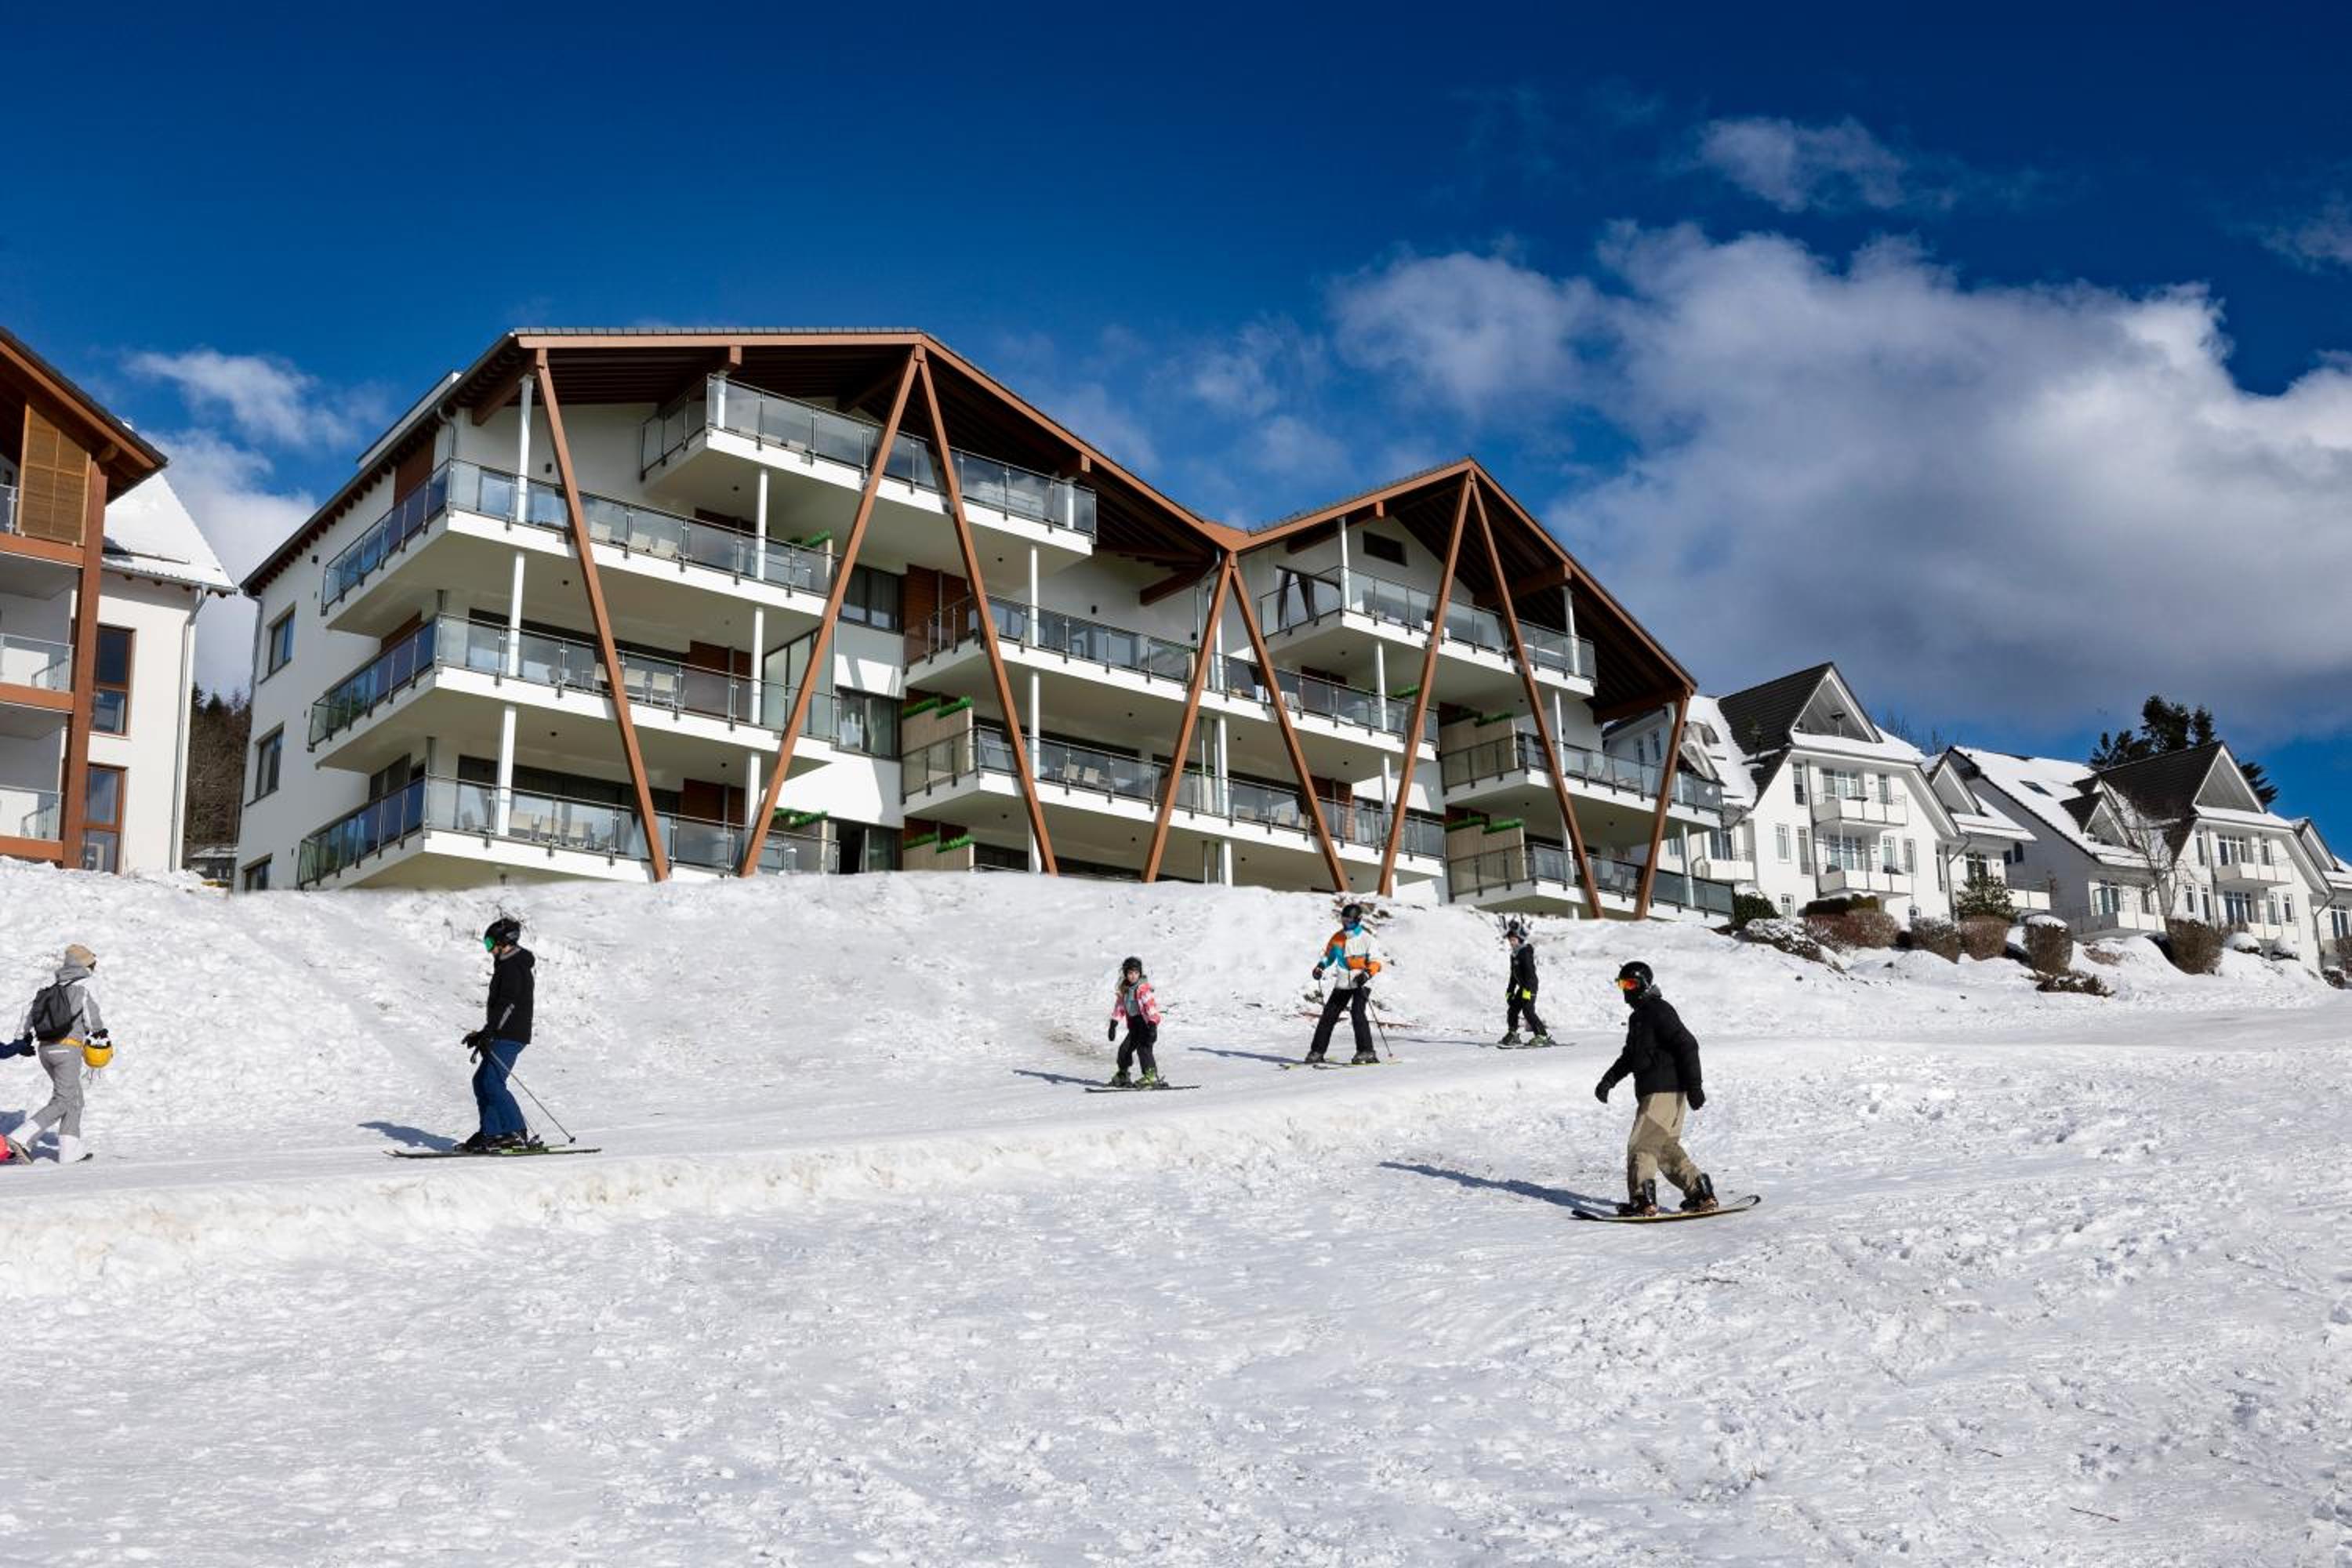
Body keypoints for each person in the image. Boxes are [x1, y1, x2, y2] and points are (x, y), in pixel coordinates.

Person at [1593, 960, 1717, 1216]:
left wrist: (1695, 1086)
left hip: (1662, 1091)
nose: (1625, 990)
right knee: (1665, 1149)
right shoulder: (1639, 1017)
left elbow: (1688, 1044)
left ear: (1643, 984)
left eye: (1629, 983)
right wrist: (1608, 1080)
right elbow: (1630, 1056)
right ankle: (1701, 1193)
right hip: (1665, 1092)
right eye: (1621, 984)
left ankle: (1642, 1200)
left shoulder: (1658, 1011)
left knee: (1642, 1146)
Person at [5, 944, 107, 1166]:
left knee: (74, 1099)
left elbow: (27, 1018)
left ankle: (70, 1152)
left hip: (46, 1050)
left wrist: (20, 1040)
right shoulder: (83, 988)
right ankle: (19, 1138)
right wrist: (101, 1035)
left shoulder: (48, 990)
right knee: (63, 1100)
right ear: (84, 966)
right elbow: (93, 1022)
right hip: (68, 1050)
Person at [459, 916, 535, 1152]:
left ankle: (515, 1132)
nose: (489, 949)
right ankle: (490, 1133)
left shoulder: (513, 967)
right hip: (504, 1031)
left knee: (492, 1082)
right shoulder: (506, 965)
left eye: (490, 942)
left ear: (505, 941)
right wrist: (484, 1033)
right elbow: (503, 1008)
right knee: (482, 1081)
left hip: (511, 1034)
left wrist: (491, 1032)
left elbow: (509, 1005)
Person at [1305, 902, 1382, 1065]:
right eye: (1344, 920)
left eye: (1350, 921)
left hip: (1361, 981)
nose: (1346, 924)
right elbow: (1328, 957)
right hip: (1343, 982)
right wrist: (1320, 967)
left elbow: (1376, 962)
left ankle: (1366, 1051)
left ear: (1359, 920)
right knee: (1328, 1015)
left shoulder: (1368, 940)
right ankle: (1317, 1052)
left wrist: (1366, 974)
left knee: (1357, 1013)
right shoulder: (1337, 938)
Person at [1105, 956, 1163, 1087]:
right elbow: (1120, 1007)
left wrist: (1153, 1025)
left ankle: (1151, 1076)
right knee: (1124, 1050)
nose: (1133, 976)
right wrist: (1113, 1024)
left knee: (1144, 1049)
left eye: (1136, 973)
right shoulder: (1125, 989)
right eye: (1130, 973)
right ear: (1125, 974)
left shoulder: (1143, 989)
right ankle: (1123, 1075)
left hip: (1146, 1026)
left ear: (1140, 973)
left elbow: (1151, 1008)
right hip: (1134, 1028)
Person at [1498, 920, 1550, 1047]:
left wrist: (1527, 990)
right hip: (1523, 987)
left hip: (1530, 985)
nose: (1511, 942)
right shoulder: (1514, 955)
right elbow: (1513, 976)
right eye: (1510, 940)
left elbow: (1530, 972)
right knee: (1513, 1010)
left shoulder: (1525, 952)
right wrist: (1510, 991)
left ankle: (1542, 1036)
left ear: (1519, 939)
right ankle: (1513, 1035)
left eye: (1514, 939)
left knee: (1528, 1010)